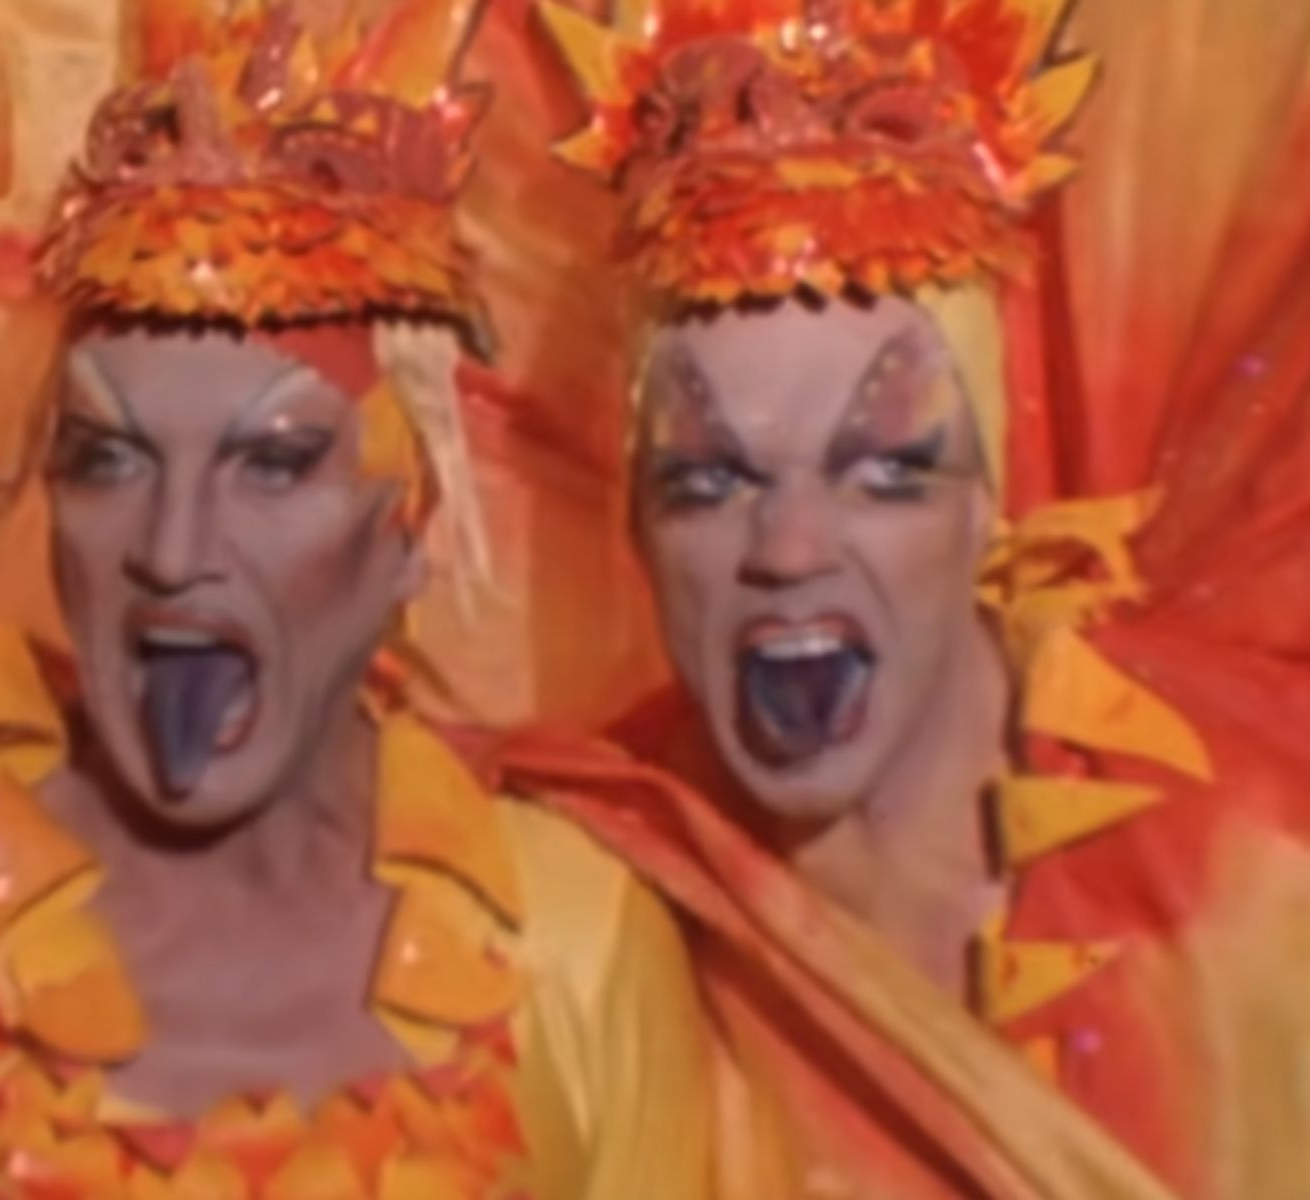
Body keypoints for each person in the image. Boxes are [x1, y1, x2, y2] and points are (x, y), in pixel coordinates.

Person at [0, 0, 727, 1194]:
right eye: (113, 459)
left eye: (272, 464)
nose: (173, 546)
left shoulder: (573, 937)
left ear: (404, 527)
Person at [534, 0, 1310, 1194]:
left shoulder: (1257, 855)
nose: (788, 550)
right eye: (709, 479)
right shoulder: (575, 905)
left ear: (983, 503)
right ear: (634, 520)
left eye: (884, 469)